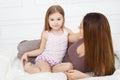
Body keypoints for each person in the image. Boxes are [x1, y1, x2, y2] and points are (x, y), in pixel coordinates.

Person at [52, 12, 115, 80]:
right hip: (54, 60)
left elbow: (104, 76)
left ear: (91, 32)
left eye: (81, 27)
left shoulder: (101, 54)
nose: (78, 28)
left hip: (62, 71)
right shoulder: (80, 36)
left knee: (68, 66)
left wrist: (84, 76)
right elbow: (65, 37)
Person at [21, 5, 73, 74]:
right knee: (46, 73)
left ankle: (48, 71)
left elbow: (76, 39)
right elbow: (40, 50)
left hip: (57, 63)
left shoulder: (67, 31)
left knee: (69, 66)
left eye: (58, 19)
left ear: (63, 19)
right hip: (45, 60)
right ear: (47, 20)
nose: (55, 22)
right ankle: (28, 68)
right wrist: (27, 54)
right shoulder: (46, 33)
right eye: (52, 19)